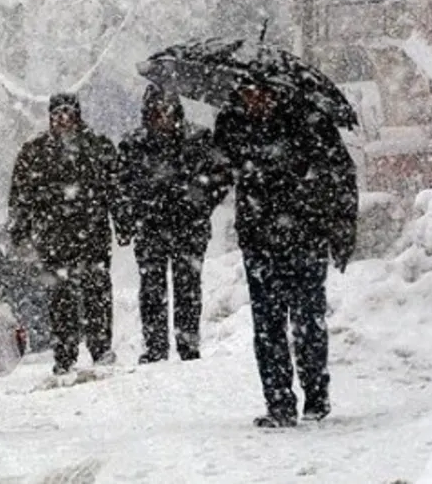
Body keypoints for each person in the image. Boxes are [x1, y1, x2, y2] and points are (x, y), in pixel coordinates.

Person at [214, 82, 357, 428]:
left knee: (307, 320)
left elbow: (340, 174)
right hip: (260, 241)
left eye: (261, 92)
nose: (255, 99)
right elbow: (216, 173)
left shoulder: (308, 121)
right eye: (247, 93)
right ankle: (278, 402)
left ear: (276, 92)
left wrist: (341, 228)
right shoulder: (233, 124)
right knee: (268, 325)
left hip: (305, 237)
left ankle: (316, 397)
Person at [7, 92, 128, 376]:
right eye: (57, 113)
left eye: (67, 112)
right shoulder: (35, 151)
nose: (62, 119)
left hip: (92, 233)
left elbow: (116, 189)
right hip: (53, 236)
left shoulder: (98, 147)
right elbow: (21, 195)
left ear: (77, 114)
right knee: (60, 298)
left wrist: (123, 223)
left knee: (96, 292)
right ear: (50, 116)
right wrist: (19, 230)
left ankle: (101, 348)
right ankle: (64, 354)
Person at [118, 86, 231, 364]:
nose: (162, 117)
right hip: (151, 227)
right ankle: (156, 347)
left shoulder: (199, 139)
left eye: (167, 110)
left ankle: (188, 344)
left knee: (188, 288)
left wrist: (201, 203)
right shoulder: (133, 144)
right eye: (156, 111)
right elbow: (120, 186)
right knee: (152, 289)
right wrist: (129, 217)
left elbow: (221, 177)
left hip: (189, 227)